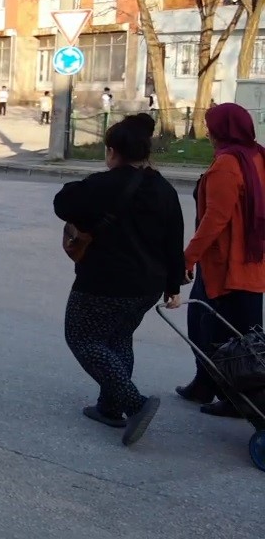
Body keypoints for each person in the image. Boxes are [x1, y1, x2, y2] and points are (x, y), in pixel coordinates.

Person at [53, 113, 186, 447]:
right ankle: (110, 407)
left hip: (105, 283)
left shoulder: (103, 185)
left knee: (83, 338)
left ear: (113, 151)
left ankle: (134, 404)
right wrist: (173, 286)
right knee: (118, 338)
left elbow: (63, 203)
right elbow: (174, 239)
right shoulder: (164, 189)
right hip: (148, 286)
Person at [175, 102, 265, 418]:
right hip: (251, 262)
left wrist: (188, 258)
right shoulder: (258, 155)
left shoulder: (228, 164)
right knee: (237, 333)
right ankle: (205, 384)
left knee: (222, 335)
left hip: (227, 265)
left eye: (211, 126)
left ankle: (239, 400)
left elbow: (215, 219)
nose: (208, 132)